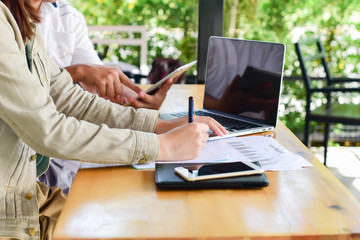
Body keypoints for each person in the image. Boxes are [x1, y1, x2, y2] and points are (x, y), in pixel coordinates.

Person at [0, 0, 228, 239]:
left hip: (29, 195)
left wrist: (158, 125)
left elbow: (69, 98)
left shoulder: (23, 22)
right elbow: (48, 130)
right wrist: (163, 146)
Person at [37, 0, 178, 194]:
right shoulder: (9, 22)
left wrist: (140, 100)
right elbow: (28, 93)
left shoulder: (68, 16)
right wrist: (76, 73)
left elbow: (100, 82)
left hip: (63, 145)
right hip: (39, 150)